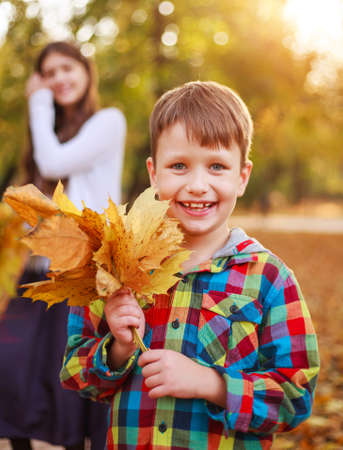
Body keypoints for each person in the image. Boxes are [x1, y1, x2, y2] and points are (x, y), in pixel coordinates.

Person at [60, 81, 320, 449]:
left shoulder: (269, 278)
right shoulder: (116, 267)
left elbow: (295, 399)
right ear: (154, 174)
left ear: (242, 176)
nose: (198, 185)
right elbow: (75, 374)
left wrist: (210, 384)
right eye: (178, 166)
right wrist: (118, 348)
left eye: (217, 166)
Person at [0, 41, 126, 450]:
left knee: (74, 386)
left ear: (87, 71)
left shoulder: (109, 121)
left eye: (66, 68)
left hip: (85, 275)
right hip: (38, 273)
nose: (58, 79)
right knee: (16, 373)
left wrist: (36, 102)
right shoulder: (50, 135)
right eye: (49, 73)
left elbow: (54, 164)